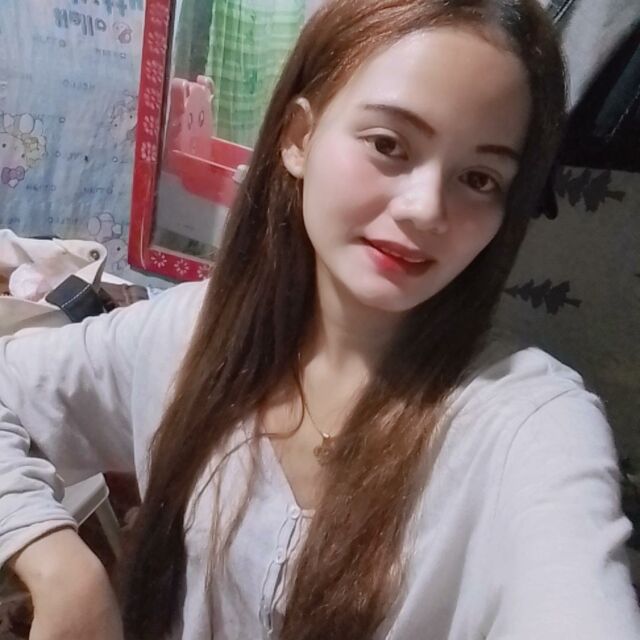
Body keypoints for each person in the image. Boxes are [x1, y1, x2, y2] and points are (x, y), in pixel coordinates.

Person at [1, 1, 638, 639]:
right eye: (389, 145)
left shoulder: (526, 423)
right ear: (299, 138)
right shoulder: (188, 334)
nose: (425, 209)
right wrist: (57, 563)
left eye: (479, 178)